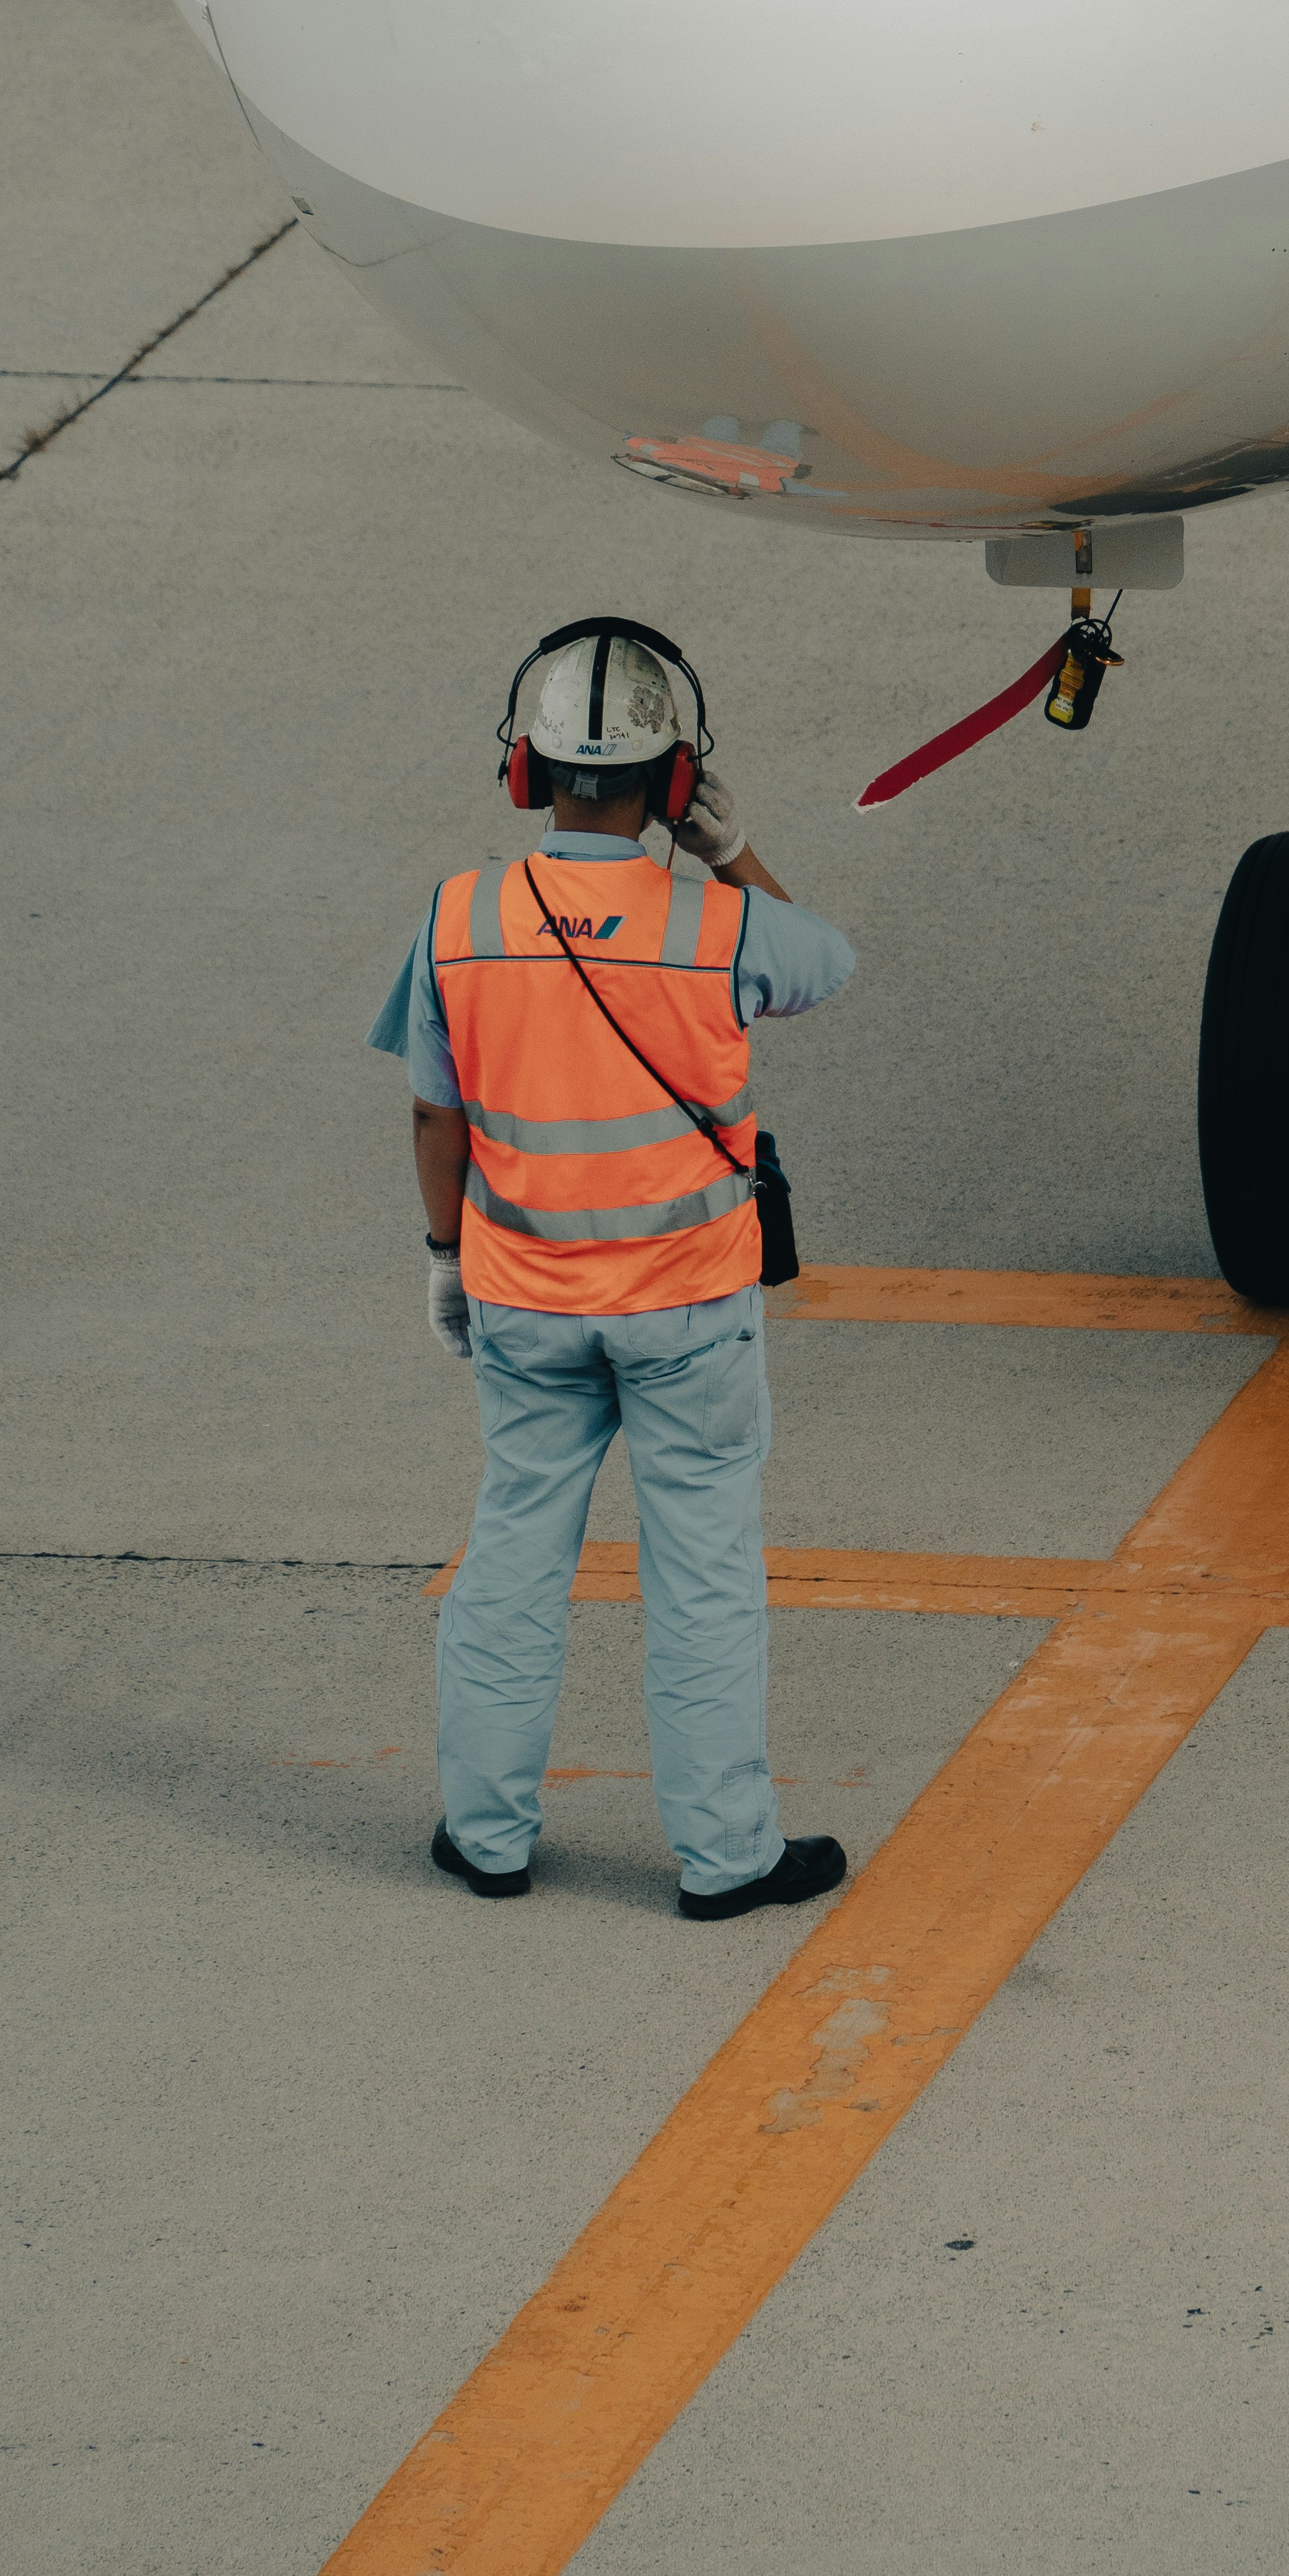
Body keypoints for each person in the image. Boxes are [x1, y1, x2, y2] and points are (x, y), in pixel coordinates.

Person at [370, 617, 856, 1917]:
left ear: (525, 771)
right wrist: (729, 851)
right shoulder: (717, 924)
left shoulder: (460, 917)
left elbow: (433, 1115)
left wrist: (445, 1257)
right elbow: (828, 963)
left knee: (513, 1561)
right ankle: (726, 1857)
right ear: (675, 780)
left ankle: (487, 1840)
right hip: (689, 1309)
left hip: (525, 1301)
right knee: (703, 1578)